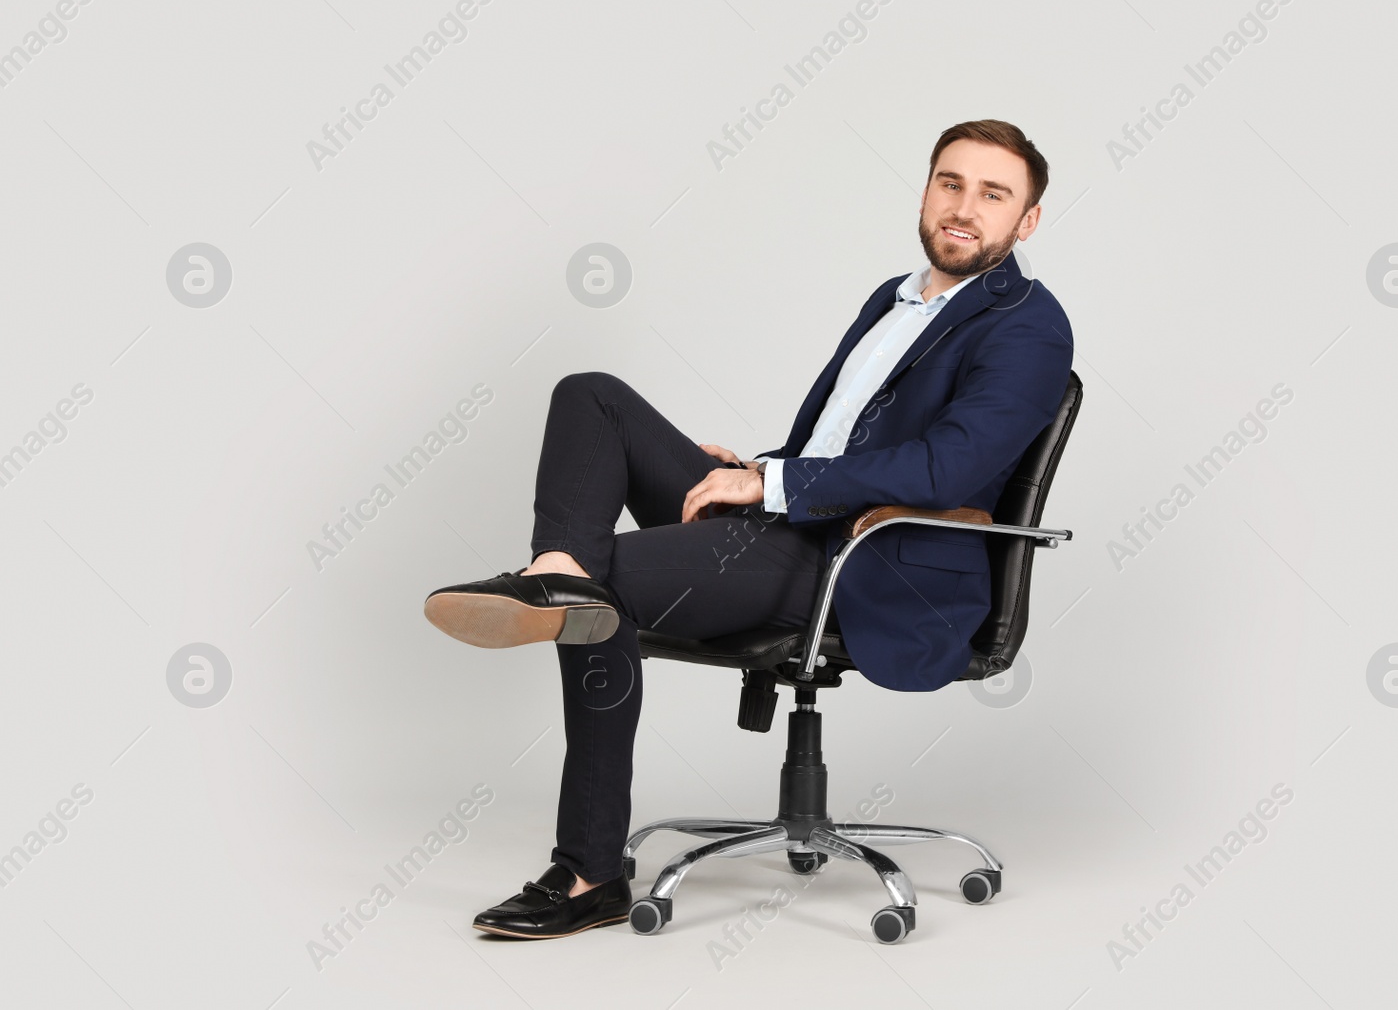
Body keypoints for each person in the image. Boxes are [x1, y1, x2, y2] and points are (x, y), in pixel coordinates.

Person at [424, 119, 1074, 939]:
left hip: (869, 561)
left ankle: (589, 870)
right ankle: (557, 571)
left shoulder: (1029, 325)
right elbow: (838, 448)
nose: (963, 208)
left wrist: (770, 483)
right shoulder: (893, 298)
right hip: (794, 523)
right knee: (592, 395)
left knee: (605, 590)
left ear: (1028, 221)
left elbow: (943, 468)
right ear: (925, 189)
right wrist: (758, 468)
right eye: (951, 182)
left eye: (993, 194)